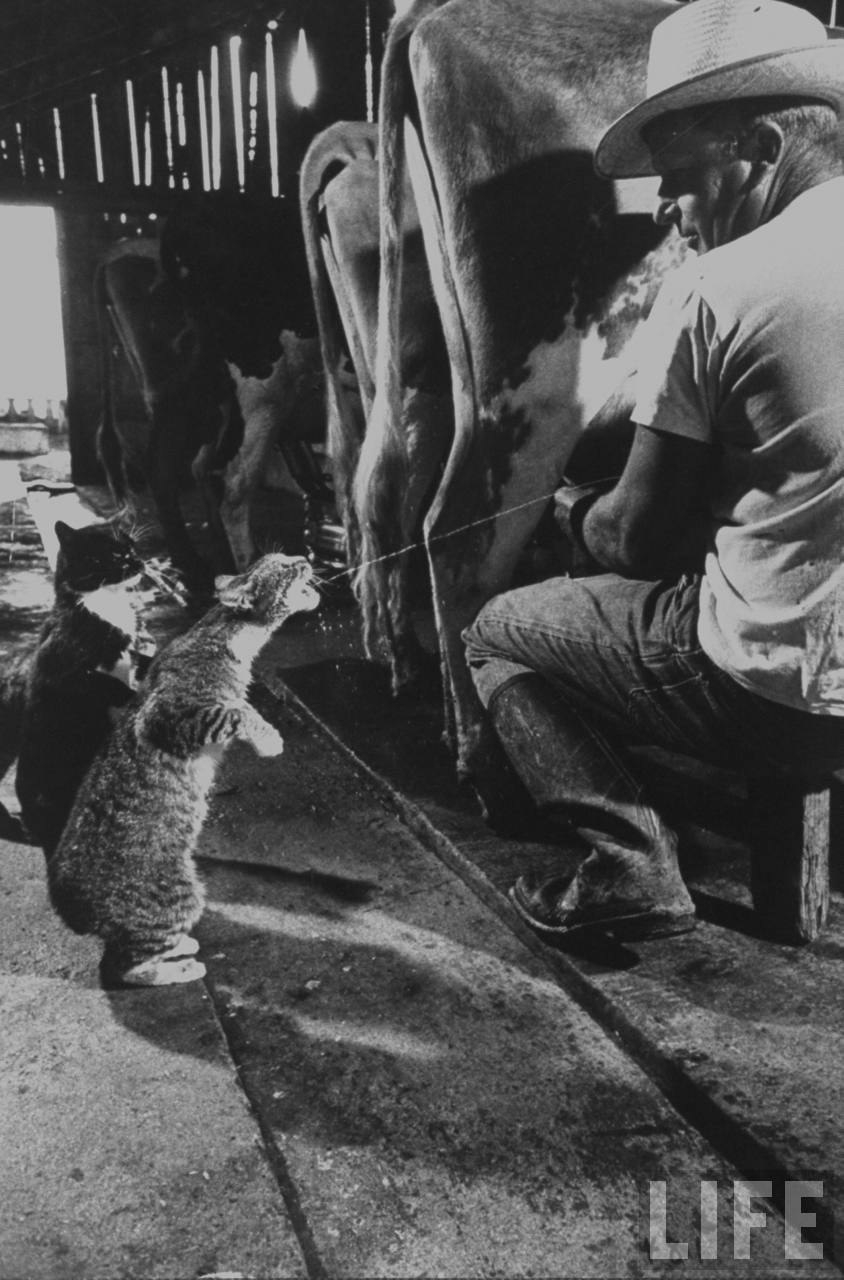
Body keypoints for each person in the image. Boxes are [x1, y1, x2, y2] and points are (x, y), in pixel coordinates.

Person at [462, 0, 844, 943]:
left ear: (759, 146)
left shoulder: (716, 286)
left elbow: (637, 542)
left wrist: (570, 510)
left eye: (679, 176)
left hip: (784, 696)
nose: (667, 210)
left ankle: (628, 862)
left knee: (498, 633)